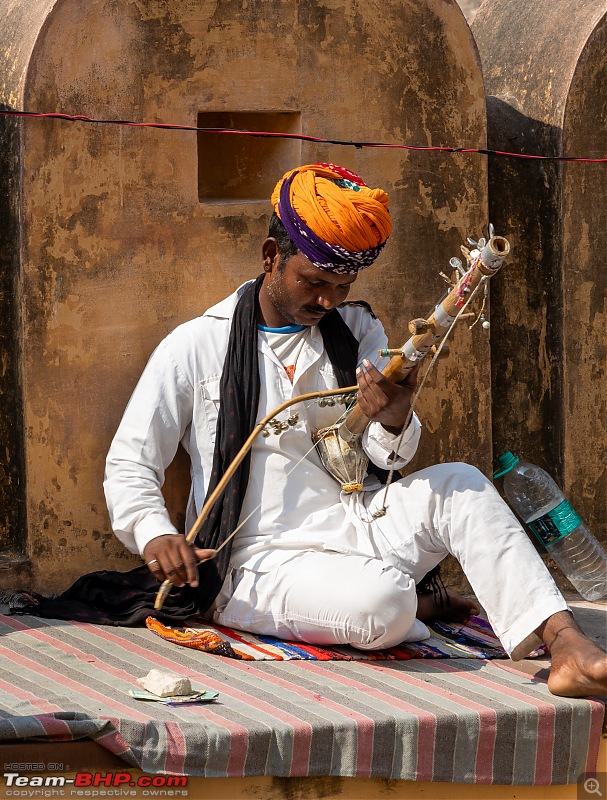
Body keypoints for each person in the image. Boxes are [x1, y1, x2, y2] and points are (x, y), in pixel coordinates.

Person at [104, 162, 607, 698]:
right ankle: (418, 603)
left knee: (461, 483)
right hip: (259, 560)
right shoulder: (196, 346)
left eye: (342, 287)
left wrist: (393, 414)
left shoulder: (358, 330)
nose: (328, 301)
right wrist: (154, 533)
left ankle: (567, 643)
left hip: (358, 522)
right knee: (384, 605)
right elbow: (131, 460)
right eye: (315, 282)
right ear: (271, 257)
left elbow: (386, 462)